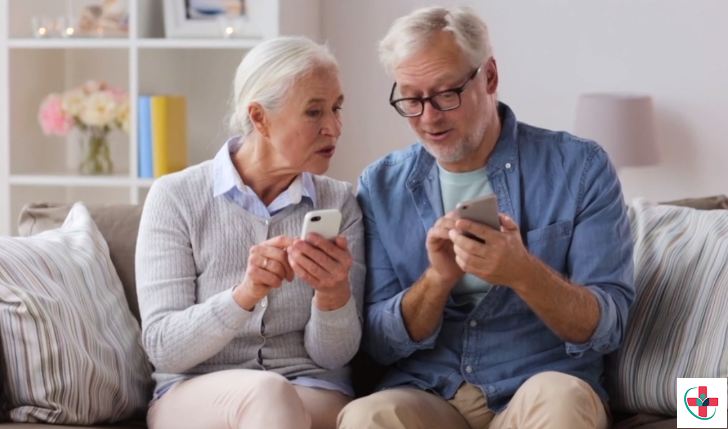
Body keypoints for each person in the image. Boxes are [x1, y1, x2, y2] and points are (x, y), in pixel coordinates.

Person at [338, 6, 634, 429]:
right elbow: (379, 344)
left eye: (445, 94)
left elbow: (609, 326)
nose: (428, 117)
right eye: (411, 98)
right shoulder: (381, 185)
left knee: (561, 398)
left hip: (537, 386)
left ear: (489, 76)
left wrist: (523, 272)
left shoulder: (580, 166)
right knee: (368, 416)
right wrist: (437, 281)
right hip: (430, 389)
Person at [135, 36, 365, 429]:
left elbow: (334, 357)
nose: (334, 127)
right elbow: (164, 348)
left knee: (305, 403)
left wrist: (332, 293)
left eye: (337, 108)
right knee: (269, 394)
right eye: (314, 111)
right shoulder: (177, 197)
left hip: (311, 388)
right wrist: (244, 296)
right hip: (195, 391)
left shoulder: (340, 202)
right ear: (259, 118)